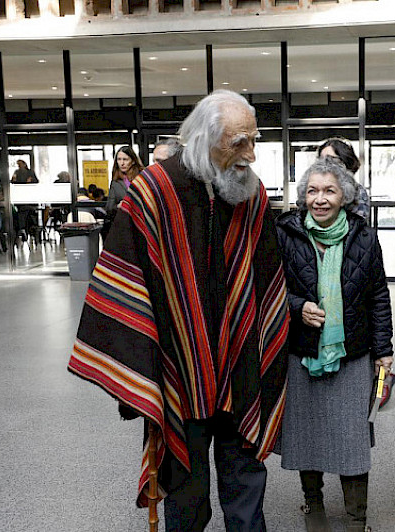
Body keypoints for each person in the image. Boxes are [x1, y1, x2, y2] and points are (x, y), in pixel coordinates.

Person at [68, 90, 290, 531]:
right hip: (178, 367)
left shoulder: (252, 193)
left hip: (241, 361)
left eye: (254, 140)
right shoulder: (153, 190)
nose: (250, 154)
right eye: (238, 142)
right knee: (186, 491)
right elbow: (123, 276)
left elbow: (265, 275)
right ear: (205, 140)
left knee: (246, 482)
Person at [276, 157, 393, 532]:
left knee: (352, 438)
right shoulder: (285, 233)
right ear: (303, 197)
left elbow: (378, 295)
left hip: (352, 353)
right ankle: (314, 502)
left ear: (345, 196)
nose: (320, 199)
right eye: (312, 191)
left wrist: (384, 350)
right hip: (303, 353)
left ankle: (357, 517)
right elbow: (270, 291)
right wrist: (297, 307)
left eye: (329, 190)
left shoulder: (364, 236)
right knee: (307, 434)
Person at [317, 138, 370, 222]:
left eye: (332, 159)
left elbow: (357, 226)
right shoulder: (314, 189)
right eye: (321, 159)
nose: (325, 164)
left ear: (345, 162)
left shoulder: (358, 192)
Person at [103, 146, 144, 240]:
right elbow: (109, 207)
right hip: (124, 226)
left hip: (141, 224)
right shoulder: (115, 182)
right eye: (119, 159)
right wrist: (119, 206)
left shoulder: (142, 177)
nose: (122, 163)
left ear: (133, 161)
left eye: (125, 159)